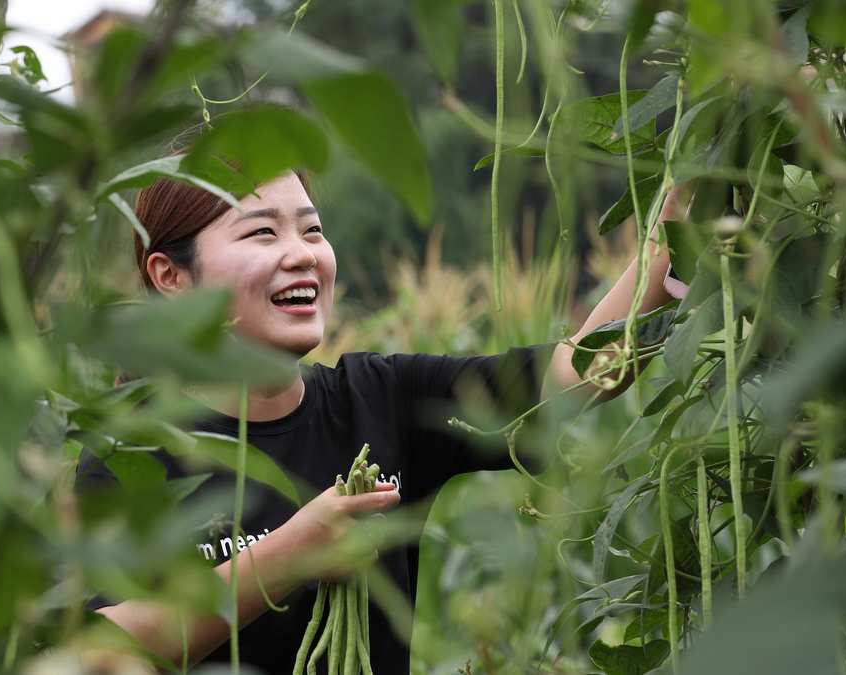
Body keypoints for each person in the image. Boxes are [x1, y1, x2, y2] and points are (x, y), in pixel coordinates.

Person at [77, 162, 683, 673]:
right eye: (262, 233)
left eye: (312, 231)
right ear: (172, 277)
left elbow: (581, 373)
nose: (301, 255)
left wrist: (686, 206)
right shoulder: (132, 451)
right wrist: (294, 551)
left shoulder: (381, 400)